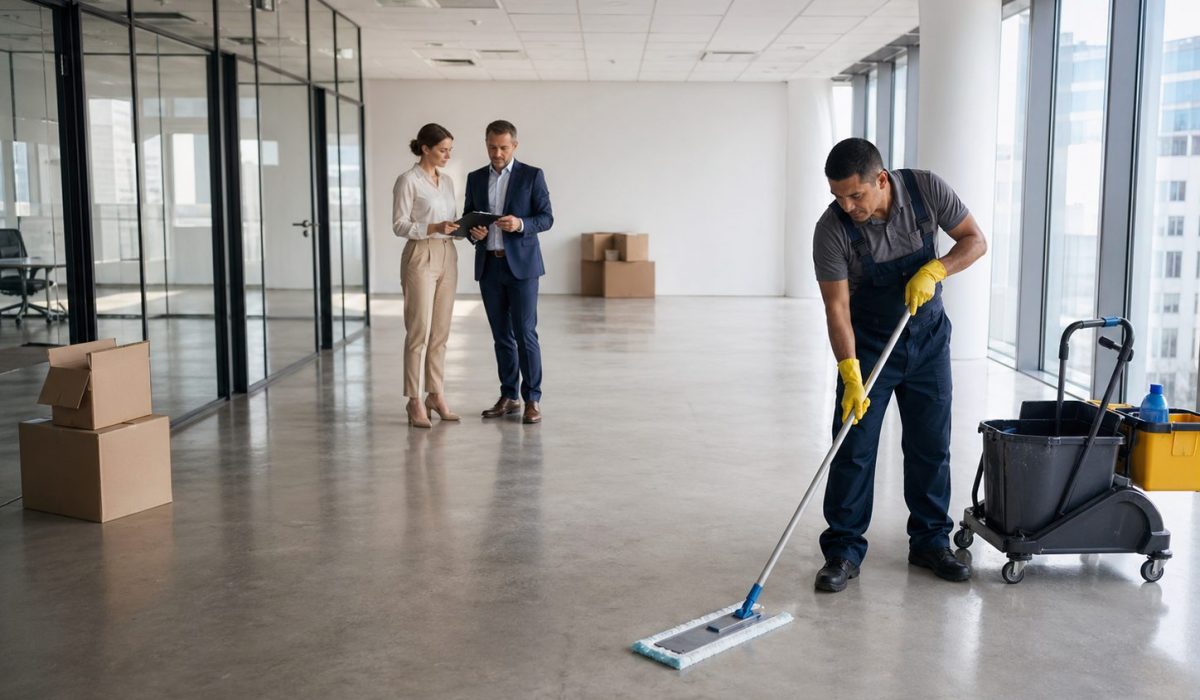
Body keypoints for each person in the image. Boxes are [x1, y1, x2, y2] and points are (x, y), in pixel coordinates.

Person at [811, 138, 987, 592]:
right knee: (853, 445)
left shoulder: (926, 190)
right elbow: (837, 309)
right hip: (869, 347)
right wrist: (850, 372)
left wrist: (937, 269)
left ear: (881, 179)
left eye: (856, 195)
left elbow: (975, 241)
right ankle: (844, 549)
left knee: (931, 444)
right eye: (838, 197)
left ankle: (930, 542)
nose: (847, 206)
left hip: (927, 340)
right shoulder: (831, 231)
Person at [464, 120, 554, 425]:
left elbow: (546, 218)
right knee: (501, 336)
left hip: (523, 268)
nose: (497, 152)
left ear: (514, 145)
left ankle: (532, 399)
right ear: (486, 144)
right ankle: (509, 396)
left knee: (525, 334)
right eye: (492, 146)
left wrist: (521, 224)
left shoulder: (532, 175)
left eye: (503, 147)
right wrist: (472, 233)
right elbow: (468, 219)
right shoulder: (475, 178)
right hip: (489, 266)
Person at [393, 123, 463, 428]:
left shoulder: (446, 181)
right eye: (442, 149)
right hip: (420, 255)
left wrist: (463, 228)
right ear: (425, 149)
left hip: (448, 254)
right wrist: (432, 228)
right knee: (418, 331)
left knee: (441, 333)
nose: (447, 155)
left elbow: (449, 221)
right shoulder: (408, 181)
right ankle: (413, 401)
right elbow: (398, 225)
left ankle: (436, 393)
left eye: (450, 150)